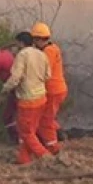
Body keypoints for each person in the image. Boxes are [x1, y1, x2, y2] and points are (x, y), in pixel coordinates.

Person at [2, 31, 52, 165]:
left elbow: (15, 78)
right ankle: (24, 159)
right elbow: (48, 75)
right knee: (31, 131)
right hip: (41, 98)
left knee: (25, 132)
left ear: (21, 43)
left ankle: (45, 156)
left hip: (28, 100)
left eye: (17, 43)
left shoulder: (22, 55)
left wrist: (5, 89)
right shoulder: (42, 54)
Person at [31, 22, 68, 154]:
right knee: (46, 117)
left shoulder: (49, 52)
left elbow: (43, 72)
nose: (34, 43)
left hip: (53, 91)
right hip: (55, 90)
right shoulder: (51, 49)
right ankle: (58, 134)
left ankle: (53, 148)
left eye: (35, 40)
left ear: (39, 39)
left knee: (45, 120)